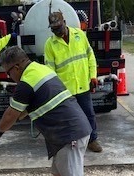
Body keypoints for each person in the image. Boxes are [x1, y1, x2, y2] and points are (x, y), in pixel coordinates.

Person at [0, 46, 93, 176]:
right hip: (66, 132)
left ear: (16, 67)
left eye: (8, 72)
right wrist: (8, 122)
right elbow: (22, 110)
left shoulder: (27, 82)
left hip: (68, 132)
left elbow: (11, 115)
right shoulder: (40, 69)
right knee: (60, 173)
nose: (9, 77)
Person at [44, 11, 102, 153]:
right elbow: (50, 71)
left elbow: (90, 56)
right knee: (68, 118)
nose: (56, 31)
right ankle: (71, 142)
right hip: (65, 90)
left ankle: (92, 140)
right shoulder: (50, 44)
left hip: (83, 85)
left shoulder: (80, 35)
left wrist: (93, 76)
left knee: (89, 114)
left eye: (58, 28)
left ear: (64, 22)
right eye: (53, 29)